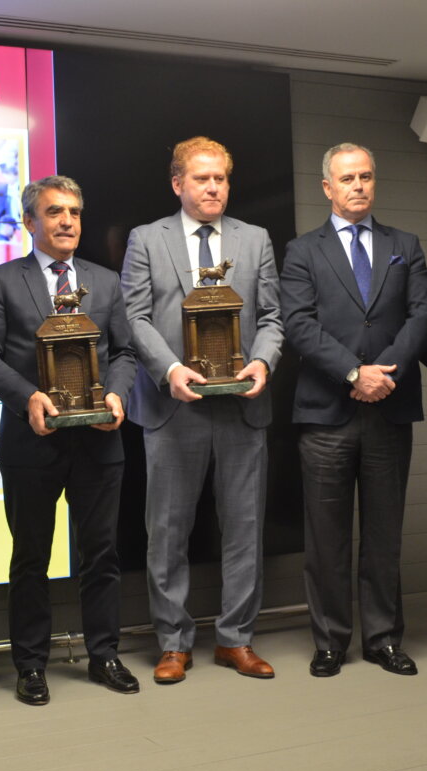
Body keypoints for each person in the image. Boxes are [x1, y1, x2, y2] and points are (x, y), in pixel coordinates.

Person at [0, 175, 140, 705]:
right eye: (54, 212)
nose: (67, 221)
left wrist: (116, 396)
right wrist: (27, 399)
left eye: (74, 212)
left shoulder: (106, 282)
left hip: (98, 441)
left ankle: (105, 655)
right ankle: (31, 665)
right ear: (29, 222)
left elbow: (126, 354)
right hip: (31, 441)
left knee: (102, 555)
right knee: (30, 559)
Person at [121, 136, 284, 683]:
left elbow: (273, 319)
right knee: (166, 531)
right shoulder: (147, 239)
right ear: (178, 184)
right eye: (202, 178)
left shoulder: (255, 239)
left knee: (245, 528)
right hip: (175, 406)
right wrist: (170, 371)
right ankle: (173, 643)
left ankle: (236, 640)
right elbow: (135, 317)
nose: (213, 187)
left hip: (242, 406)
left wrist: (261, 363)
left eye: (221, 179)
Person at [280, 143, 427, 678]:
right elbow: (299, 325)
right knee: (326, 537)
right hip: (326, 414)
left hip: (389, 408)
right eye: (347, 178)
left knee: (385, 532)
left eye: (366, 176)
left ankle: (384, 640)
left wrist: (383, 375)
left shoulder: (405, 245)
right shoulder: (302, 251)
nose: (358, 186)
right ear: (327, 187)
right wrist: (354, 373)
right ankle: (330, 642)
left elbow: (423, 317)